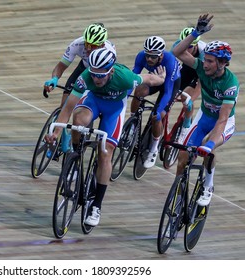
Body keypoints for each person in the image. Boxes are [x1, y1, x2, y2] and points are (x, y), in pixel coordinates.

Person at [45, 48, 166, 226]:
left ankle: (96, 205)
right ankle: (76, 155)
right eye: (93, 74)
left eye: (100, 76)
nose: (96, 79)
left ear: (111, 70)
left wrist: (161, 79)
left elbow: (148, 78)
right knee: (78, 119)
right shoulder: (86, 77)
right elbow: (68, 108)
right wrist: (56, 133)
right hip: (94, 101)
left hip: (114, 109)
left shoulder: (124, 77)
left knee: (105, 153)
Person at [172, 13, 239, 206]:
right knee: (184, 156)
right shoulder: (202, 68)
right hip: (204, 117)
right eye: (205, 59)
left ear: (222, 63)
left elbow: (223, 119)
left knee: (208, 148)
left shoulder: (230, 84)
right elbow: (178, 52)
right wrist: (195, 33)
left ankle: (208, 185)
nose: (205, 63)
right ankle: (177, 198)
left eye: (210, 61)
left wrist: (208, 146)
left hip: (222, 123)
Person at [43, 23, 116, 154]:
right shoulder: (77, 44)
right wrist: (54, 79)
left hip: (97, 76)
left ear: (101, 45)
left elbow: (106, 78)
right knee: (65, 104)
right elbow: (60, 66)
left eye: (92, 46)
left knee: (83, 103)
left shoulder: (109, 52)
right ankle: (62, 137)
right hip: (83, 69)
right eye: (87, 43)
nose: (87, 48)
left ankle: (77, 138)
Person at [130, 36, 181, 168]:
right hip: (156, 79)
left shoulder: (169, 61)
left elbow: (168, 92)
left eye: (153, 57)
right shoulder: (141, 56)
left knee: (158, 116)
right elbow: (133, 78)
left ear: (161, 55)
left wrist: (158, 112)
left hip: (171, 84)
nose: (149, 59)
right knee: (139, 91)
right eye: (147, 55)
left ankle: (153, 149)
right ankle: (132, 123)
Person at [171, 27, 207, 142]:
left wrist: (191, 99)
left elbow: (201, 84)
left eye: (189, 47)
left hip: (199, 72)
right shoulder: (178, 45)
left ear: (196, 45)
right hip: (187, 66)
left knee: (186, 97)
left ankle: (186, 127)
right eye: (184, 45)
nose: (186, 49)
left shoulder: (204, 55)